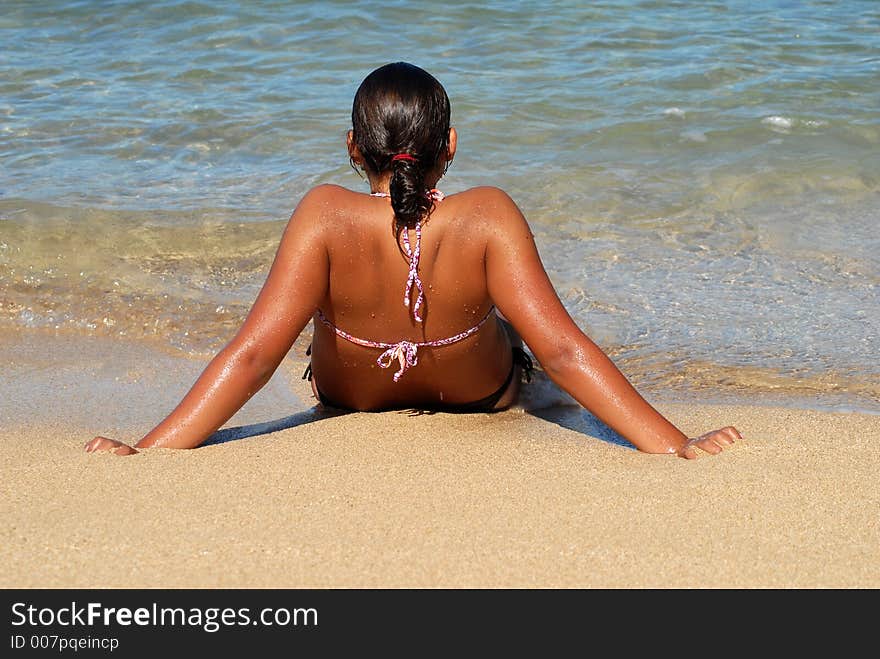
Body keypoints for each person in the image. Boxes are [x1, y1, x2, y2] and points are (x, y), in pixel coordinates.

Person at [85, 62, 740, 459]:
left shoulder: (323, 214)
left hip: (349, 397)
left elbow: (252, 355)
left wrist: (149, 449)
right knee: (526, 352)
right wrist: (675, 442)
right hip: (481, 395)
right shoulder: (487, 214)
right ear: (449, 146)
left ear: (352, 146)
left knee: (308, 342)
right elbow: (566, 352)